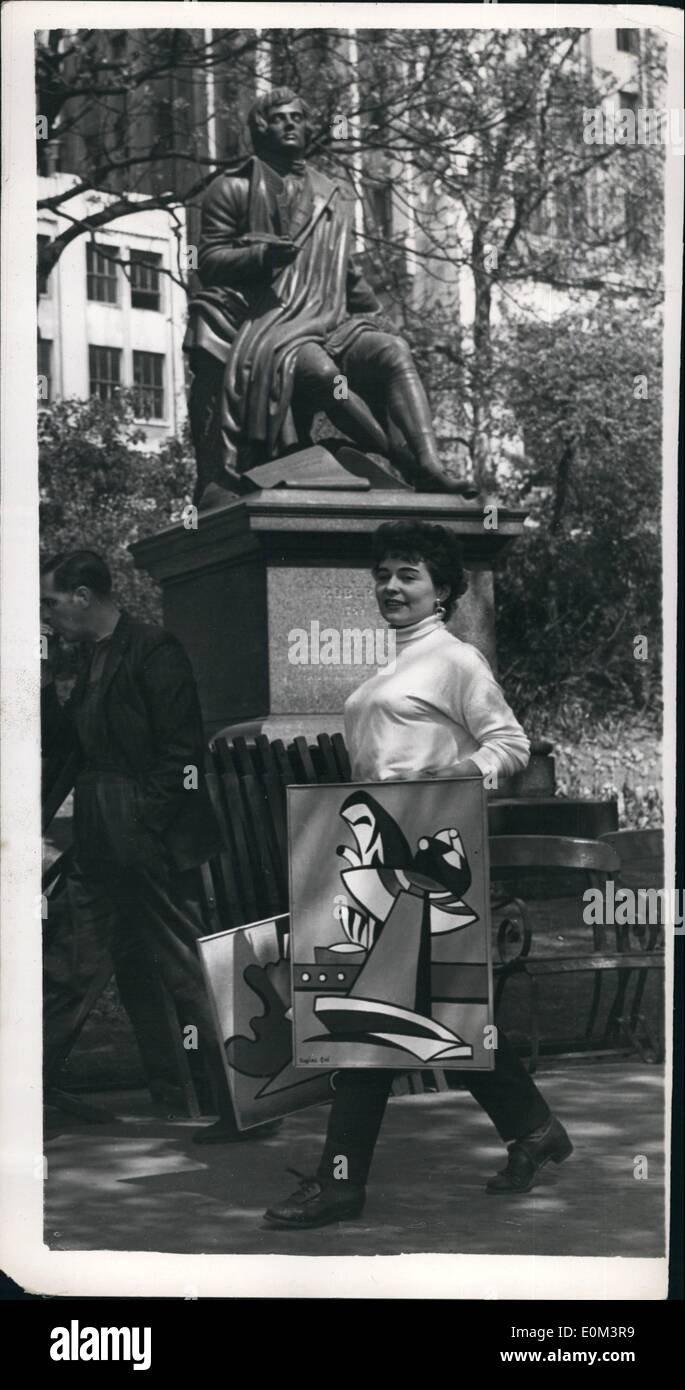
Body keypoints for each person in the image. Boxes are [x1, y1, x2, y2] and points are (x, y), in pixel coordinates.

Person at [264, 520, 572, 1228]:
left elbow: (509, 744)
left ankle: (340, 1182)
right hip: (381, 860)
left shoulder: (456, 661)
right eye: (382, 574)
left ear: (440, 589)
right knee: (433, 1015)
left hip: (428, 861)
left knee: (373, 1021)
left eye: (407, 574)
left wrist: (447, 777)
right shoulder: (391, 669)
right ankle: (533, 1130)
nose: (390, 587)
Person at [41, 549, 275, 1144]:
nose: (48, 617)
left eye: (52, 603)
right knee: (67, 966)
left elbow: (183, 754)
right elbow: (69, 747)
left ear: (84, 596)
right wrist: (41, 687)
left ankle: (250, 1104)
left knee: (188, 969)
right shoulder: (90, 659)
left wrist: (143, 824)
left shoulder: (153, 649)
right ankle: (20, 1097)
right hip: (99, 836)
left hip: (143, 837)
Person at [184, 87, 477, 507]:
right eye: (280, 118)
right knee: (322, 375)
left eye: (297, 118)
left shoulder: (333, 194)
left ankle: (429, 463)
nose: (290, 125)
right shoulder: (231, 189)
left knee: (393, 350)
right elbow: (208, 260)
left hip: (329, 318)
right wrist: (261, 255)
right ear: (260, 128)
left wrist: (374, 315)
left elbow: (345, 269)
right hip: (269, 324)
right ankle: (401, 460)